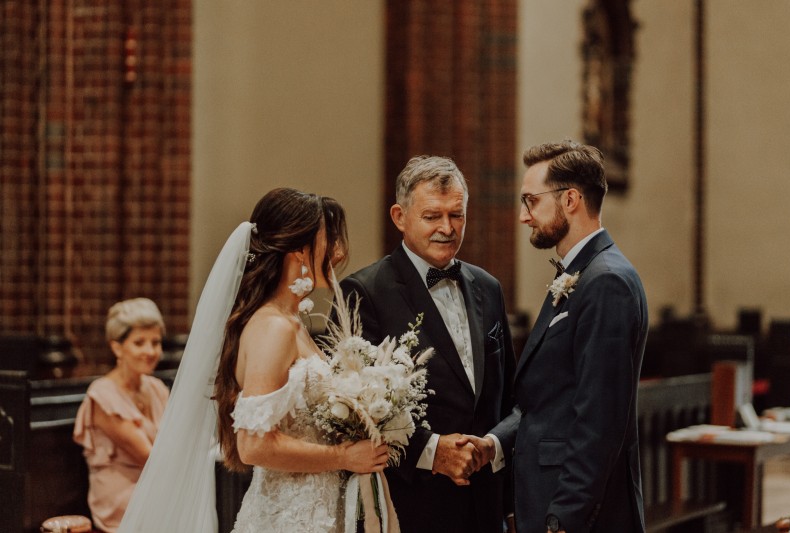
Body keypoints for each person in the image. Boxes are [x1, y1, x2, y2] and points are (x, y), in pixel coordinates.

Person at [118, 188, 388, 533]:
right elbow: (253, 444)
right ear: (299, 249)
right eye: (330, 240)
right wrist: (343, 457)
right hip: (290, 517)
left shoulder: (292, 322)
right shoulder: (273, 327)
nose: (338, 253)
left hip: (318, 508)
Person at [339, 155, 516, 533]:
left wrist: (494, 446)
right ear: (399, 217)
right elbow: (354, 414)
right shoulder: (365, 292)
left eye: (457, 215)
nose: (447, 228)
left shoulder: (488, 287)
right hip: (413, 506)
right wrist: (433, 453)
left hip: (487, 505)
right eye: (432, 216)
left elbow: (512, 397)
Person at [482, 140, 648, 533]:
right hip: (547, 497)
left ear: (570, 199)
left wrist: (563, 520)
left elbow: (599, 421)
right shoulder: (580, 273)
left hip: (577, 513)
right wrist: (495, 442)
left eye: (531, 201)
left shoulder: (606, 282)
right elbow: (547, 401)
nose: (524, 216)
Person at [73, 298, 170, 532]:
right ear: (117, 347)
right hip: (122, 499)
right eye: (139, 343)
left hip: (158, 485)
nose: (150, 351)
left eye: (155, 342)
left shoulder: (157, 388)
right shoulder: (103, 395)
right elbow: (149, 459)